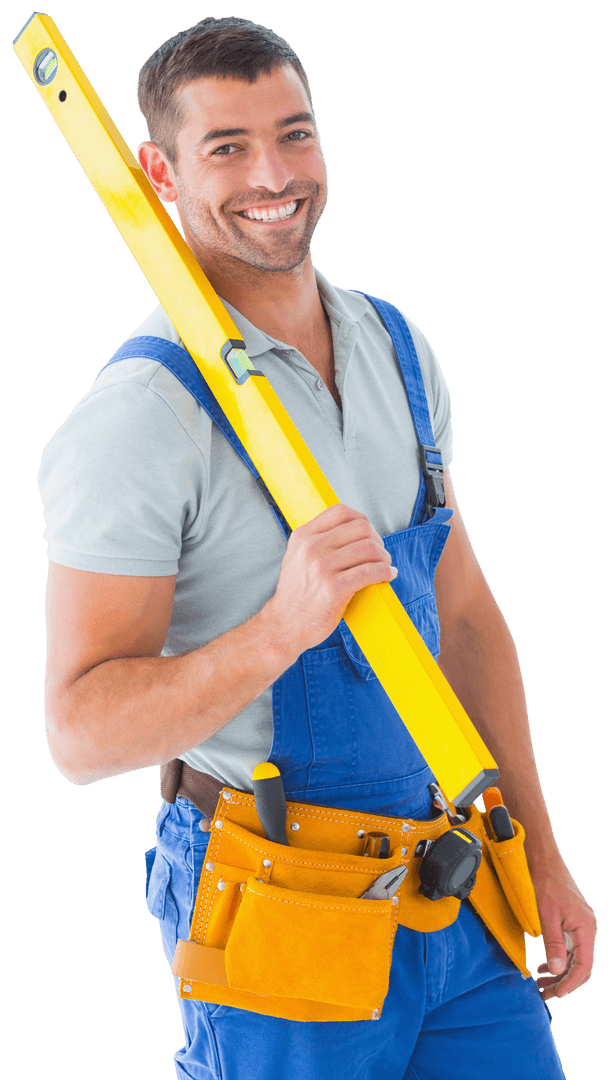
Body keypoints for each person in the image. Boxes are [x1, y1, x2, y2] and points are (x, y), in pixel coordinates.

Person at [38, 16, 595, 1080]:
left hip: (453, 886)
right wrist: (277, 633)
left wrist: (541, 853)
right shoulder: (139, 420)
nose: (274, 175)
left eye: (294, 135)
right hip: (274, 912)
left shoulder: (394, 345)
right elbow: (79, 732)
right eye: (228, 147)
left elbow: (464, 613)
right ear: (157, 171)